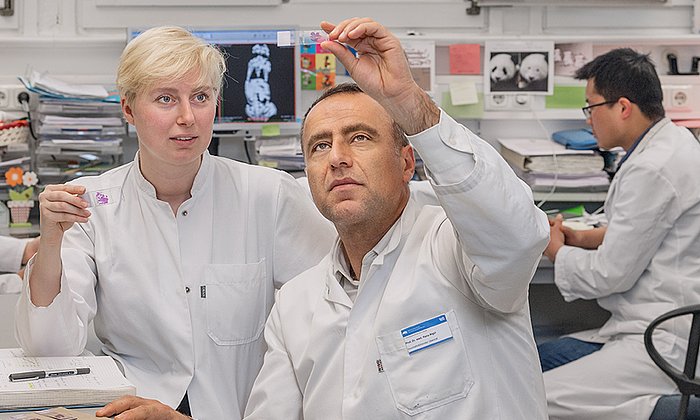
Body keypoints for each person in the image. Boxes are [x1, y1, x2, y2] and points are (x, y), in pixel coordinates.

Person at [15, 26, 334, 419]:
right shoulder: (91, 204)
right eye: (166, 99)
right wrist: (49, 243)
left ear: (216, 105)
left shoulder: (268, 195)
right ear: (128, 109)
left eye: (200, 97)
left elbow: (330, 320)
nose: (187, 117)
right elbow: (50, 348)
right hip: (132, 408)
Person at [243, 18, 550, 419]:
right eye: (320, 145)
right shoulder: (293, 304)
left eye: (359, 138)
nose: (337, 157)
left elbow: (517, 236)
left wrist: (409, 102)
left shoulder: (455, 250)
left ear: (407, 163)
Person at [540, 48, 700, 419]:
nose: (588, 119)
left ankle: (665, 410)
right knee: (538, 360)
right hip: (658, 324)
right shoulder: (672, 144)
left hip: (663, 339)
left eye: (591, 107)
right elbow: (651, 230)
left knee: (531, 398)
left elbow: (608, 275)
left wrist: (554, 250)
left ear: (623, 107)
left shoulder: (653, 168)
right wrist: (585, 237)